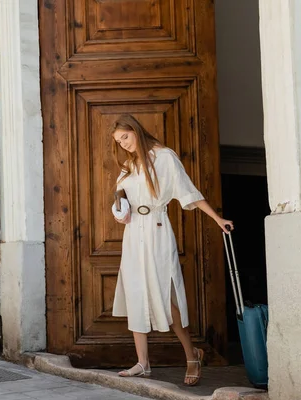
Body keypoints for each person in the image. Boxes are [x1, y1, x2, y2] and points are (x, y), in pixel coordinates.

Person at [110, 114, 233, 386]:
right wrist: (120, 211)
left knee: (166, 296)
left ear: (136, 130)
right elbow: (120, 197)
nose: (124, 145)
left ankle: (192, 355)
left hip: (157, 229)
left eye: (125, 137)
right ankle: (143, 363)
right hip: (133, 234)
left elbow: (189, 192)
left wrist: (217, 218)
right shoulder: (129, 166)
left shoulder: (164, 157)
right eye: (119, 142)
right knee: (135, 292)